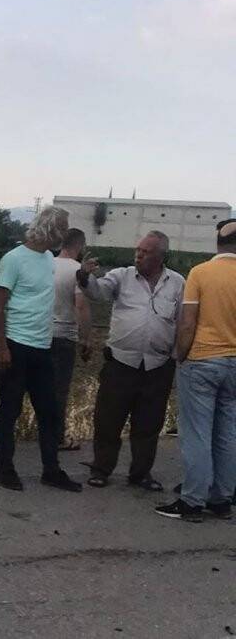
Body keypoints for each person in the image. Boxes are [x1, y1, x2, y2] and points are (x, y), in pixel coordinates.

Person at [77, 231, 184, 491]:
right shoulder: (122, 276)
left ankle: (140, 473)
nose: (139, 254)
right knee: (108, 419)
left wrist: (174, 357)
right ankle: (101, 468)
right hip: (120, 364)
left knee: (148, 424)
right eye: (138, 249)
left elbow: (182, 321)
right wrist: (84, 276)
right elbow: (98, 291)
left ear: (161, 256)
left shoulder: (178, 283)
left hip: (158, 366)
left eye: (146, 251)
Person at [0, 206, 81, 492]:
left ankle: (51, 470)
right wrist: (2, 347)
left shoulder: (48, 260)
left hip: (42, 347)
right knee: (10, 410)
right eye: (63, 228)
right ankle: (4, 469)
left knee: (49, 411)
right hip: (14, 345)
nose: (65, 234)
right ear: (51, 229)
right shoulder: (13, 259)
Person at [155, 220, 236, 521]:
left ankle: (192, 501)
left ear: (217, 243)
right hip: (234, 363)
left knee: (197, 434)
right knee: (227, 432)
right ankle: (221, 499)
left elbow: (188, 322)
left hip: (202, 360)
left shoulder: (201, 272)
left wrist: (181, 356)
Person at [51, 228, 92, 450]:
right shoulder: (78, 271)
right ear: (81, 245)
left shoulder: (46, 265)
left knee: (29, 382)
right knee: (58, 389)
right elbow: (81, 305)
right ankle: (56, 437)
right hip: (64, 335)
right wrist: (86, 339)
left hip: (38, 333)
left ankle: (2, 422)